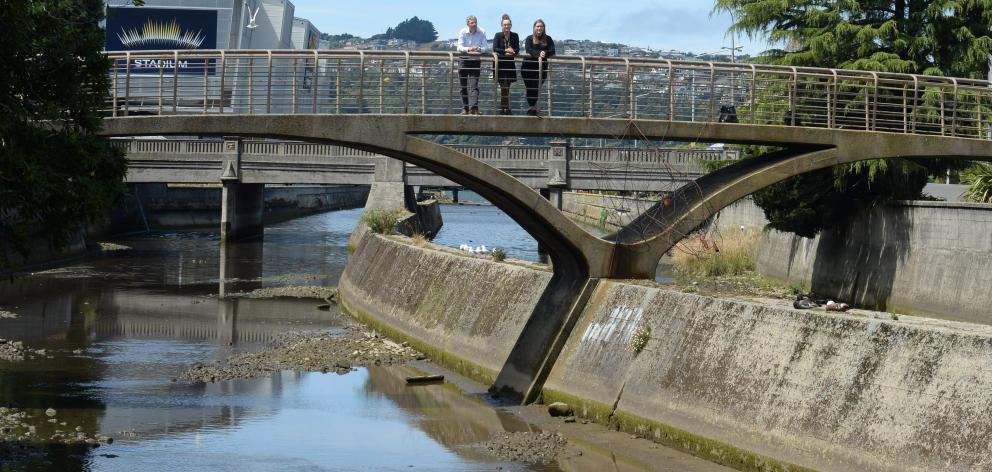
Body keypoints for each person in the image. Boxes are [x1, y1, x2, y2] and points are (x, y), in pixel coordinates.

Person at [456, 15, 489, 115]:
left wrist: (479, 49)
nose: (474, 24)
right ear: (468, 24)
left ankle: (473, 109)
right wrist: (469, 49)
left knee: (474, 86)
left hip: (475, 60)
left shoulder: (482, 31)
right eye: (472, 23)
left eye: (475, 22)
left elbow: (486, 47)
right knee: (463, 86)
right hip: (464, 60)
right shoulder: (462, 32)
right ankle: (465, 109)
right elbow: (459, 47)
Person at [521, 19, 555, 116]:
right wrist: (539, 54)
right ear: (534, 28)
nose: (539, 28)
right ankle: (532, 107)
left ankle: (533, 107)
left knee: (536, 86)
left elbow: (552, 50)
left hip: (541, 68)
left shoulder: (548, 39)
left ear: (543, 28)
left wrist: (545, 53)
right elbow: (528, 49)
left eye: (541, 26)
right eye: (537, 26)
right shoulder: (529, 38)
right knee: (529, 87)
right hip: (528, 67)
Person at [492, 14, 519, 115]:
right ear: (501, 25)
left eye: (508, 25)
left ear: (511, 25)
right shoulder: (497, 35)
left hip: (510, 65)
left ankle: (504, 108)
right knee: (504, 86)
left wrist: (512, 51)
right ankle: (504, 108)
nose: (506, 26)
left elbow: (517, 49)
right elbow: (495, 48)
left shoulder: (515, 35)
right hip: (500, 65)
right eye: (504, 25)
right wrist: (505, 50)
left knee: (507, 86)